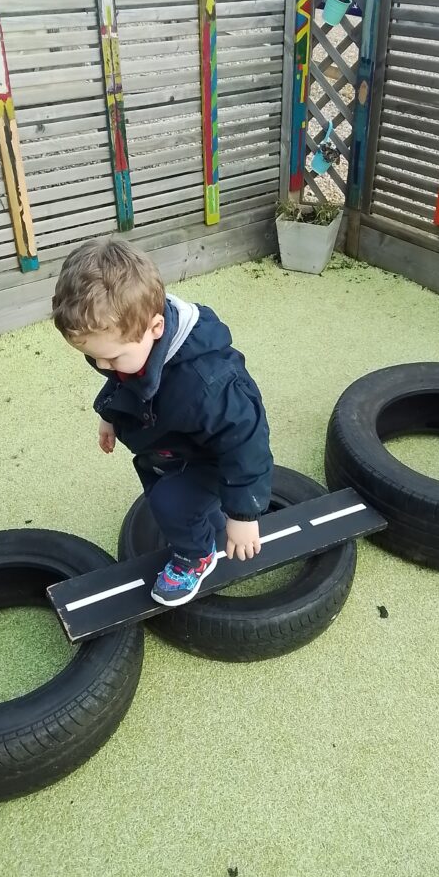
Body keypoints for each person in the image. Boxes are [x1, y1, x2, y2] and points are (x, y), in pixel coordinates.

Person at [52, 238, 274, 608]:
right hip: (172, 443)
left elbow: (246, 439)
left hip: (211, 457)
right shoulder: (130, 346)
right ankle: (206, 517)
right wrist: (108, 415)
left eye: (110, 357)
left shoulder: (209, 383)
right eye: (93, 358)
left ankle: (195, 556)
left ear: (155, 328)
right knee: (166, 492)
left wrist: (244, 514)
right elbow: (121, 382)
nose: (103, 366)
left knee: (171, 504)